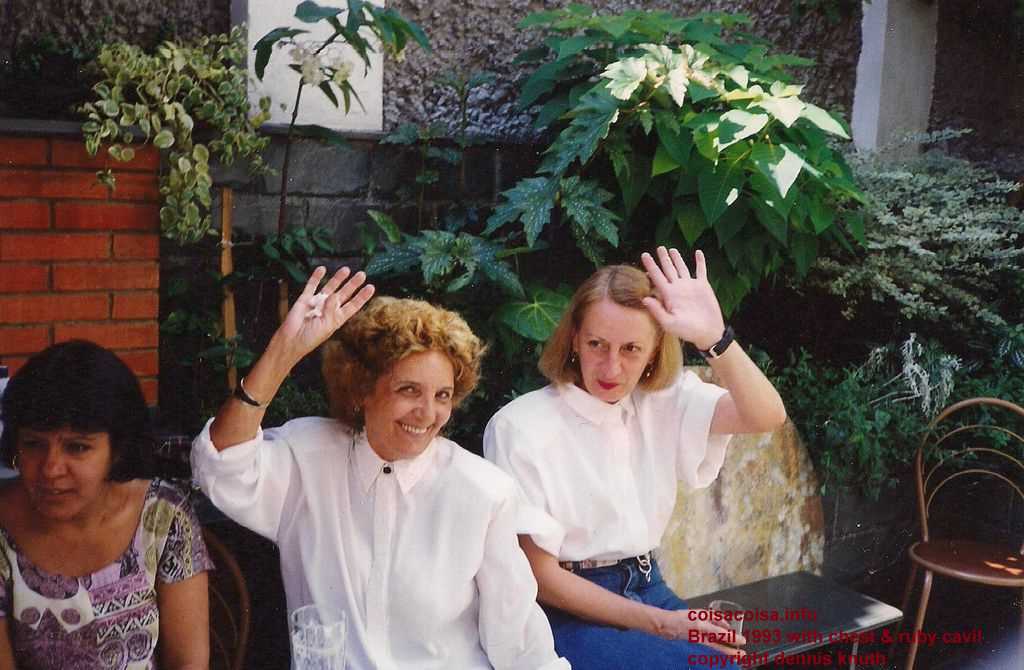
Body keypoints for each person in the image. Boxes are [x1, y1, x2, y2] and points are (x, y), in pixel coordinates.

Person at [190, 266, 569, 670]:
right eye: (409, 390)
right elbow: (220, 464)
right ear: (362, 390)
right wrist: (284, 351)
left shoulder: (482, 491)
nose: (427, 413)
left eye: (442, 395)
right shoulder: (307, 457)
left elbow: (520, 641)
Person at [484, 247, 788, 669]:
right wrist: (663, 625)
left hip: (648, 584)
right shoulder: (519, 427)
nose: (612, 366)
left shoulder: (663, 401)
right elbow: (541, 577)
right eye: (597, 344)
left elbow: (767, 416)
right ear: (573, 338)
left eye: (631, 348)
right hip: (564, 609)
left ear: (654, 351)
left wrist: (714, 339)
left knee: (730, 661)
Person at [0, 340, 213, 670]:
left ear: (117, 449)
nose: (51, 468)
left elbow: (188, 662)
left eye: (77, 447)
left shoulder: (163, 517)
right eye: (33, 444)